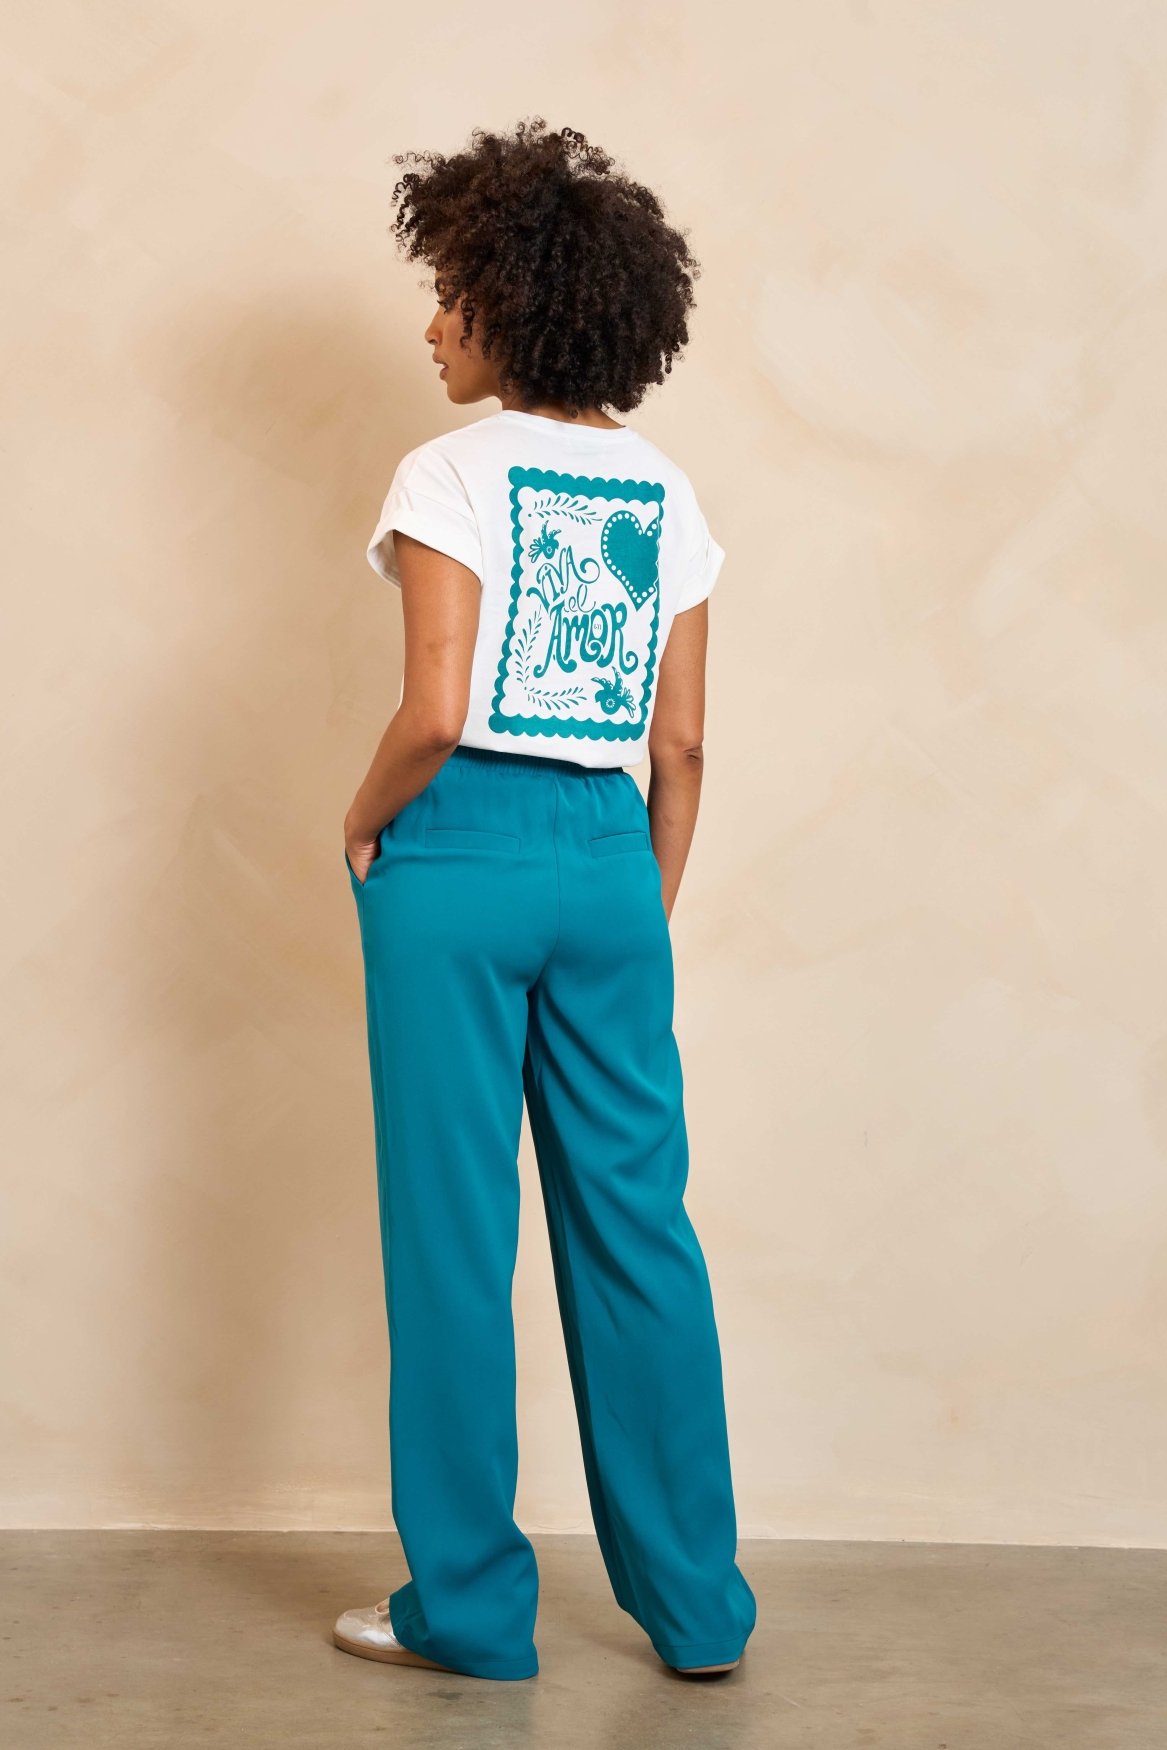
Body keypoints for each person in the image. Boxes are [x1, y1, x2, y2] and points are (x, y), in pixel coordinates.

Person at [332, 117, 756, 1683]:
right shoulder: (668, 493)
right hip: (609, 861)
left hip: (456, 853)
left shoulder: (448, 471)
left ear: (510, 304)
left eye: (450, 293)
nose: (432, 324)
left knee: (453, 1233)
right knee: (638, 1226)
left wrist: (361, 823)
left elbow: (437, 711)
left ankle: (470, 1610)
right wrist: (638, 897)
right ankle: (700, 1609)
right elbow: (683, 744)